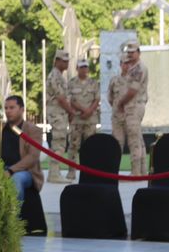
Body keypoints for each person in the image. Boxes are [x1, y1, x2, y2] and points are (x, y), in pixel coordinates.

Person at [109, 40, 149, 176]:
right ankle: (141, 171)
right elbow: (110, 97)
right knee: (135, 140)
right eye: (129, 52)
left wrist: (120, 104)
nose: (130, 55)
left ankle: (136, 172)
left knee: (134, 141)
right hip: (125, 111)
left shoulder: (138, 69)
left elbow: (132, 91)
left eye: (133, 52)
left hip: (133, 108)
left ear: (139, 52)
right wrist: (118, 106)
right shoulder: (122, 76)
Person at [0, 94, 44, 203]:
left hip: (25, 171)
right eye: (6, 108)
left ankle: (15, 212)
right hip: (1, 169)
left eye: (12, 108)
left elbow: (32, 157)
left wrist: (10, 171)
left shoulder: (33, 130)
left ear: (22, 109)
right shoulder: (0, 129)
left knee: (17, 179)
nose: (8, 111)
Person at [64, 57, 101, 174]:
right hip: (76, 119)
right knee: (73, 146)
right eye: (81, 67)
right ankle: (71, 171)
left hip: (90, 120)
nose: (84, 69)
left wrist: (89, 111)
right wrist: (84, 110)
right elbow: (70, 100)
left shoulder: (94, 83)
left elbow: (97, 99)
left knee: (91, 146)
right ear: (77, 68)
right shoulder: (71, 83)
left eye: (86, 67)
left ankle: (90, 171)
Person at [45, 51, 73, 183]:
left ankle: (54, 172)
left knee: (60, 143)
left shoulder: (60, 76)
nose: (66, 63)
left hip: (60, 114)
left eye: (67, 61)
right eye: (64, 61)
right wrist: (71, 112)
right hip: (57, 114)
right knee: (59, 143)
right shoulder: (55, 76)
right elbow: (61, 98)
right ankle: (54, 173)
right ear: (56, 61)